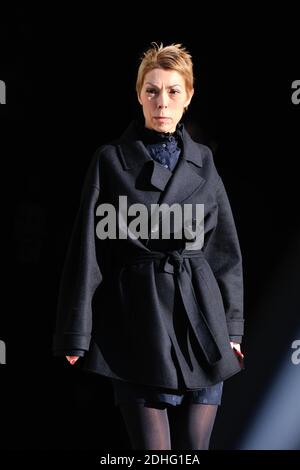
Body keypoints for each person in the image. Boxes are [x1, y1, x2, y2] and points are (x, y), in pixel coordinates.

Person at [52, 43, 244, 450]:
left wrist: (232, 327)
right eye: (153, 90)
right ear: (139, 94)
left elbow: (224, 251)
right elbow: (89, 250)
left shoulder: (204, 162)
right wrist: (76, 333)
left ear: (189, 97)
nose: (162, 102)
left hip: (201, 321)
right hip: (139, 321)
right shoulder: (111, 160)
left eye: (174, 91)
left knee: (196, 450)